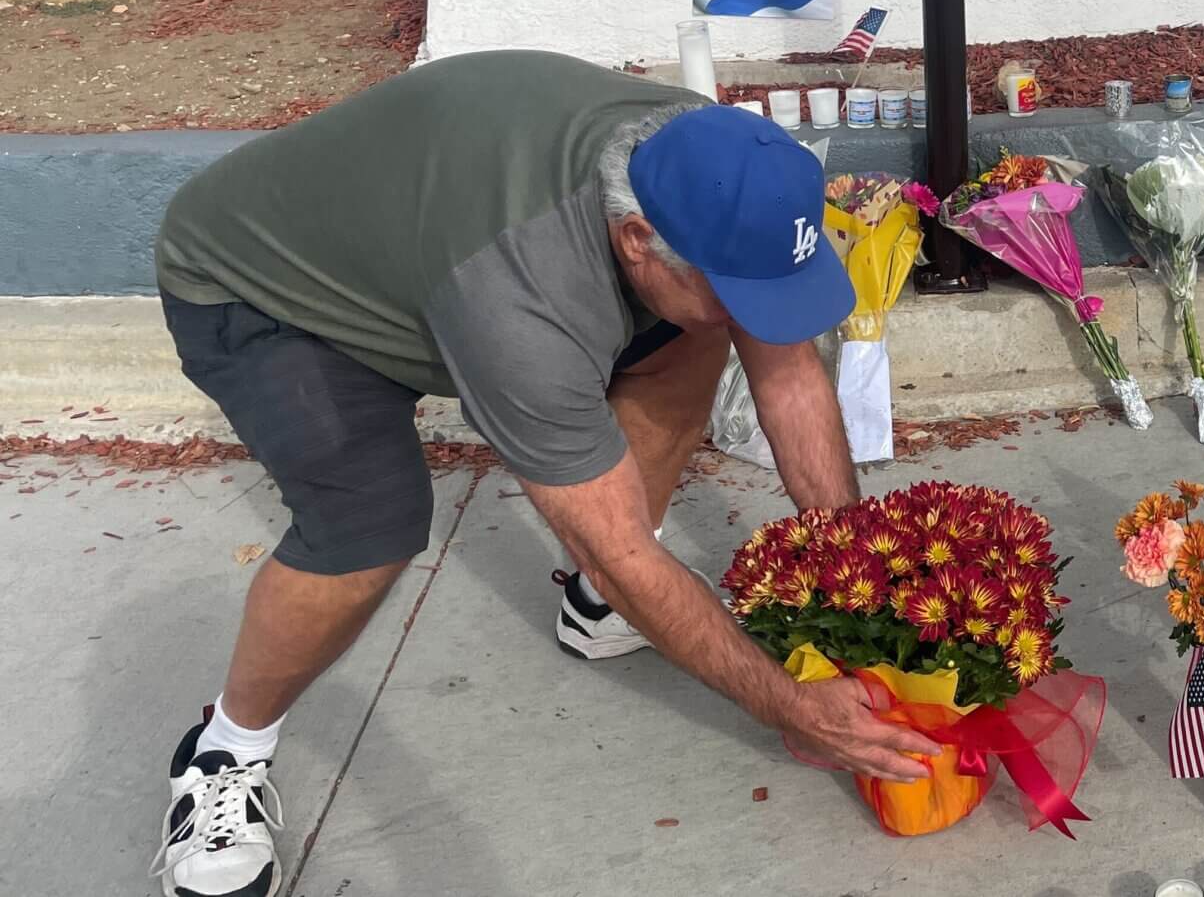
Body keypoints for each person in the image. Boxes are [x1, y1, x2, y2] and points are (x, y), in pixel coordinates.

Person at [146, 51, 938, 897]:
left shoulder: (708, 165)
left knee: (694, 326)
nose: (759, 319)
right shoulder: (520, 307)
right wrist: (789, 706)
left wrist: (860, 574)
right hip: (268, 288)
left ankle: (599, 619)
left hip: (427, 239)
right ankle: (225, 751)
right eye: (739, 289)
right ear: (637, 241)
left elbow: (784, 374)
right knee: (365, 527)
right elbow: (618, 552)